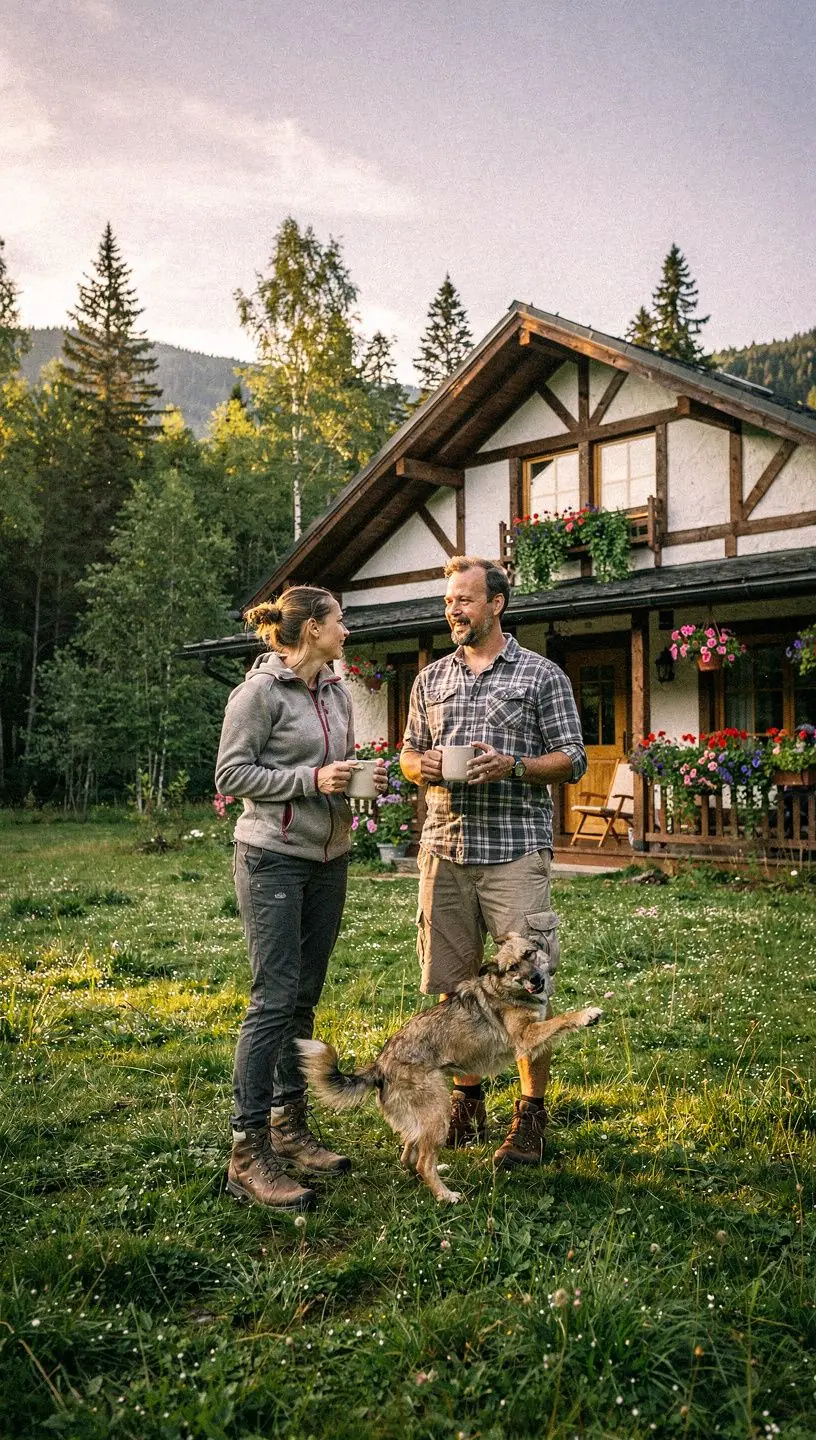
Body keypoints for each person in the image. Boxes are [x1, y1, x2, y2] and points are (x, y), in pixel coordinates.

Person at [400, 555, 587, 1168]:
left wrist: (511, 765)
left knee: (528, 989)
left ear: (496, 604)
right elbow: (407, 755)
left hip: (513, 854)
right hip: (445, 851)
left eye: (464, 599)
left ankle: (531, 1116)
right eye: (449, 601)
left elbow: (572, 760)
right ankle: (467, 1097)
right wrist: (419, 766)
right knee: (454, 991)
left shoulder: (541, 676)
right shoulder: (430, 679)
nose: (453, 610)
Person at [215, 586, 386, 1211]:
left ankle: (289, 1128)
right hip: (272, 857)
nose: (348, 628)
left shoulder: (336, 690)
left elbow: (335, 766)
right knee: (273, 998)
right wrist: (310, 780)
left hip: (328, 858)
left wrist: (360, 777)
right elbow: (232, 775)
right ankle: (246, 1149)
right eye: (340, 619)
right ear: (312, 628)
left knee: (304, 997)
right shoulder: (258, 694)